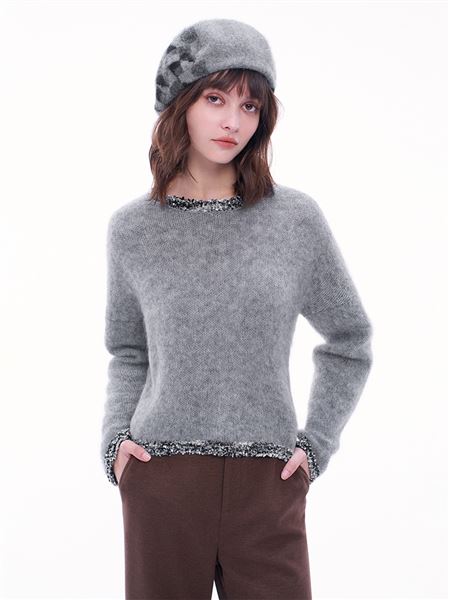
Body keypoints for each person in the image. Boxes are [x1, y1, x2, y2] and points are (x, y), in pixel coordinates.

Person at [100, 18, 373, 600]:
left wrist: (315, 446)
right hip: (162, 479)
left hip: (268, 485)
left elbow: (349, 339)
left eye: (250, 106)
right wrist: (115, 443)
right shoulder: (133, 229)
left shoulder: (294, 220)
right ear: (180, 104)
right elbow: (129, 351)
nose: (233, 122)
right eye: (215, 99)